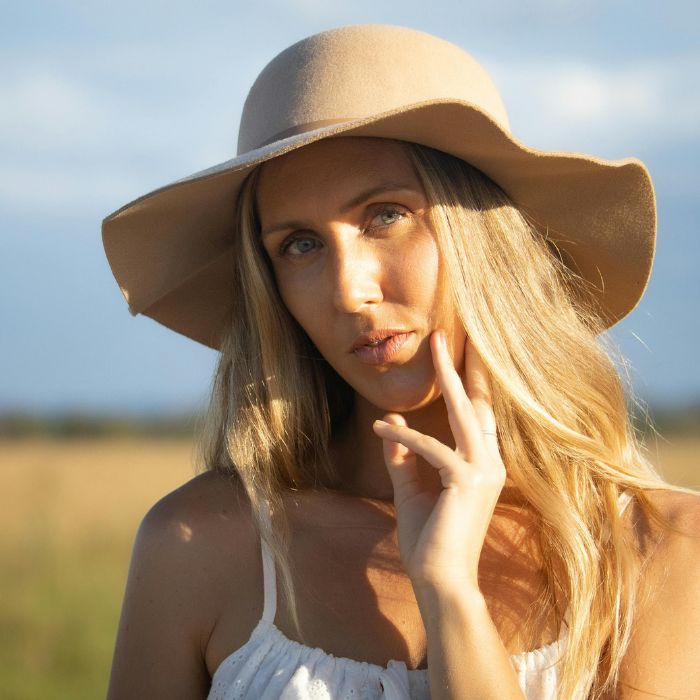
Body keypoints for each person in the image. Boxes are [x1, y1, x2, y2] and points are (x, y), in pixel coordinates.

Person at [102, 25, 700, 700]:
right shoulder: (198, 544)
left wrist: (451, 593)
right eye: (299, 245)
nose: (348, 290)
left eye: (385, 216)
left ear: (486, 235)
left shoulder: (663, 551)